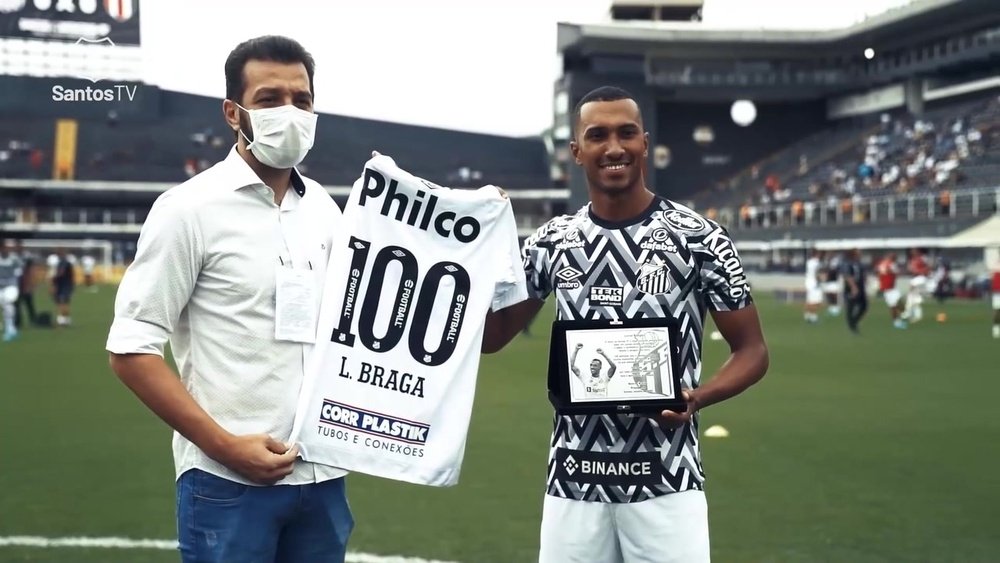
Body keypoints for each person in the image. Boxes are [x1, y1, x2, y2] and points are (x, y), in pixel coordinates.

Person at [481, 86, 769, 563]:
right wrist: (475, 243)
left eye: (626, 133)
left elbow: (753, 350)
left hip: (667, 481)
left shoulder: (698, 237)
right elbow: (492, 338)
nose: (614, 147)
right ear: (576, 151)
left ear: (644, 143)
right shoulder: (552, 241)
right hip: (573, 482)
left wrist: (698, 397)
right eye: (597, 135)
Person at [106, 36, 352, 563]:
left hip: (322, 477)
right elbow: (131, 351)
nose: (289, 112)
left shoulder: (328, 212)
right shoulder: (187, 210)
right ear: (232, 112)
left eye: (301, 100)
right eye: (268, 99)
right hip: (227, 482)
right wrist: (223, 446)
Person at [875, 252, 906, 329]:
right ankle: (896, 322)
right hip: (888, 288)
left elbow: (879, 272)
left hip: (891, 287)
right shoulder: (890, 264)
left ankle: (902, 316)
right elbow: (895, 272)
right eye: (895, 257)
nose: (895, 259)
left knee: (898, 303)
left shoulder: (883, 264)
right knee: (894, 306)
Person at [0, 239, 22, 341]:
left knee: (7, 304)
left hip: (11, 286)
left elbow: (18, 274)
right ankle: (11, 328)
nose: (6, 250)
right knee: (5, 307)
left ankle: (9, 328)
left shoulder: (14, 260)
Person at [842, 249, 868, 334]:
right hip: (851, 288)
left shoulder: (859, 264)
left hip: (861, 287)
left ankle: (854, 321)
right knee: (851, 307)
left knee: (864, 306)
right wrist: (853, 287)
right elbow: (847, 276)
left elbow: (862, 274)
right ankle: (852, 327)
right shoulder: (847, 264)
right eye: (858, 253)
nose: (860, 254)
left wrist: (865, 280)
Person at [903, 247, 931, 323]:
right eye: (912, 251)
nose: (912, 252)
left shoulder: (922, 258)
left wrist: (920, 271)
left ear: (918, 251)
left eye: (914, 251)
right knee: (913, 298)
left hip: (921, 278)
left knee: (912, 294)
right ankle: (916, 315)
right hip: (915, 278)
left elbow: (928, 268)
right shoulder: (912, 260)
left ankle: (908, 313)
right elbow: (911, 270)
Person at [14, 241, 37, 329]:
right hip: (16, 283)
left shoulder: (26, 257)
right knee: (16, 304)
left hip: (25, 281)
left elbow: (30, 270)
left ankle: (33, 320)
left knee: (29, 303)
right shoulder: (13, 257)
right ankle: (17, 322)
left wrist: (31, 283)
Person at [51, 248, 74, 327]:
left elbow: (61, 273)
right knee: (64, 302)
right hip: (65, 285)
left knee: (62, 302)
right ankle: (65, 319)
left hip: (64, 285)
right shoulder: (64, 263)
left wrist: (53, 279)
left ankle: (62, 319)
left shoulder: (64, 263)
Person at [804, 248, 824, 323]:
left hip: (808, 282)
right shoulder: (817, 263)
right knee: (816, 301)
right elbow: (817, 273)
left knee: (810, 300)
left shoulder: (809, 262)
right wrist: (820, 279)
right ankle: (813, 317)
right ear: (817, 254)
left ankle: (807, 315)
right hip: (815, 283)